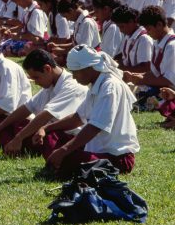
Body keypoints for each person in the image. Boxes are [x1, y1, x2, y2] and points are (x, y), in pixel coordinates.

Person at [33, 45, 139, 178]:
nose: (74, 77)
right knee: (51, 136)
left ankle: (60, 166)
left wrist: (64, 150)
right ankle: (59, 165)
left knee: (69, 157)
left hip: (117, 158)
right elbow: (77, 118)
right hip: (96, 151)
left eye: (75, 72)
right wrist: (46, 128)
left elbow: (95, 126)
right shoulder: (97, 84)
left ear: (89, 68)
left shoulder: (110, 86)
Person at [0, 49, 87, 157]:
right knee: (10, 127)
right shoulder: (50, 85)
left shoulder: (72, 86)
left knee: (48, 138)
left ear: (47, 69)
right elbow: (25, 108)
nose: (36, 82)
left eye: (36, 77)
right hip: (44, 131)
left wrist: (18, 138)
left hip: (65, 135)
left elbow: (45, 116)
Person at [112, 6, 152, 73]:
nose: (120, 30)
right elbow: (125, 60)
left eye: (122, 26)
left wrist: (121, 69)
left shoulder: (144, 39)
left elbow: (146, 68)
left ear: (131, 22)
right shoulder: (128, 36)